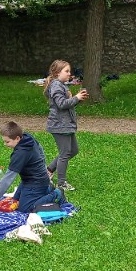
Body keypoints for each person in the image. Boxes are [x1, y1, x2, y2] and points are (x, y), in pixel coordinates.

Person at [0, 121, 63, 214]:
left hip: (36, 182)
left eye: (7, 141)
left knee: (25, 208)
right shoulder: (27, 137)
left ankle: (57, 194)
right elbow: (40, 149)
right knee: (15, 200)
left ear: (17, 138)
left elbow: (9, 177)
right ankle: (48, 188)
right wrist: (44, 168)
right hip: (28, 180)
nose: (5, 144)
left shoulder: (20, 154)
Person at [44, 59, 88, 191]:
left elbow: (67, 104)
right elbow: (62, 104)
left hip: (66, 125)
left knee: (73, 150)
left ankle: (48, 171)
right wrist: (76, 98)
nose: (70, 73)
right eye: (67, 71)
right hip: (59, 125)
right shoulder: (56, 86)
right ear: (57, 73)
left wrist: (78, 99)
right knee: (65, 153)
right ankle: (61, 183)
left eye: (69, 71)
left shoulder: (62, 85)